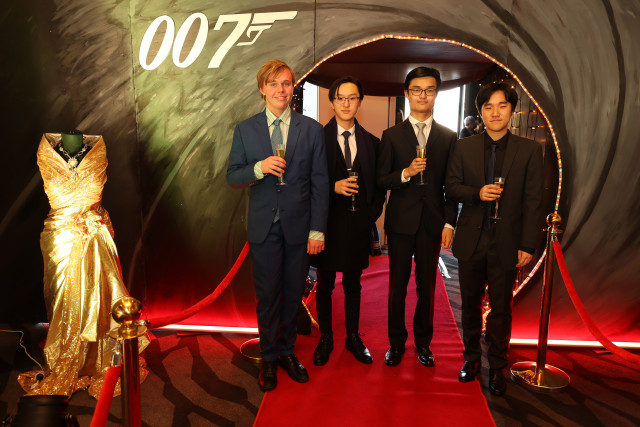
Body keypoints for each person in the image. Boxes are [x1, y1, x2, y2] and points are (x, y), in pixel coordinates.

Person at [18, 131, 149, 398]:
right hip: (60, 238)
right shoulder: (46, 152)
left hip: (96, 235)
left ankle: (100, 361)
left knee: (99, 300)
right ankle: (65, 359)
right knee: (62, 301)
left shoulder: (98, 150)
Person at [226, 60, 329, 391]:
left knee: (292, 295)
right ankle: (269, 357)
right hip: (264, 228)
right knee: (267, 296)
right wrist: (259, 168)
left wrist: (317, 229)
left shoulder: (311, 129)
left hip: (300, 228)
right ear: (262, 89)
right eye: (273, 84)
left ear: (292, 87)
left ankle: (287, 352)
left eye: (286, 83)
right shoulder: (245, 129)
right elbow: (233, 177)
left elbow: (320, 183)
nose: (281, 90)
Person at [445, 82, 543, 396]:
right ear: (481, 112)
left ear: (512, 110)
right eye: (488, 106)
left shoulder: (529, 150)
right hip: (472, 240)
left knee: (501, 308)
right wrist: (477, 193)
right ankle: (471, 358)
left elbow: (533, 201)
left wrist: (527, 244)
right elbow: (451, 187)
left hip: (507, 241)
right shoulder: (464, 147)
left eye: (502, 105)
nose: (495, 112)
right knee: (470, 305)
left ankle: (498, 366)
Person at [377, 67, 457, 367]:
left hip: (432, 222)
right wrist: (405, 173)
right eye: (416, 90)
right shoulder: (391, 135)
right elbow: (381, 180)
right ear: (407, 93)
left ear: (436, 94)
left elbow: (452, 184)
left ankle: (423, 343)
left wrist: (449, 222)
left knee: (428, 286)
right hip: (401, 221)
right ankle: (396, 343)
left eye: (429, 90)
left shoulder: (448, 137)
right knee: (396, 286)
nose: (423, 95)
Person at [310, 77, 385, 366]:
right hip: (326, 224)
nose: (346, 103)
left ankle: (353, 336)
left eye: (352, 98)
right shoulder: (317, 138)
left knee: (354, 284)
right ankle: (326, 337)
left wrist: (369, 217)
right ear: (332, 102)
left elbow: (379, 188)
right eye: (340, 98)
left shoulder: (372, 142)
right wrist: (333, 187)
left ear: (359, 102)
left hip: (357, 225)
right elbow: (306, 182)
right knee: (325, 284)